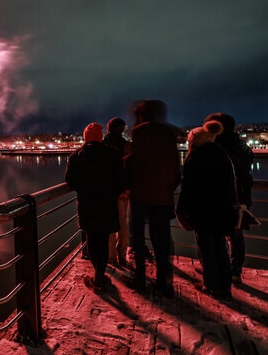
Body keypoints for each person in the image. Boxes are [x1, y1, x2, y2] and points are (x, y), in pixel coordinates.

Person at [124, 100, 181, 298]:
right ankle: (164, 282)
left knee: (137, 240)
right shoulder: (168, 133)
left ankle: (139, 278)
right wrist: (167, 188)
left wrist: (127, 182)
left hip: (140, 196)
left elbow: (135, 163)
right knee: (162, 240)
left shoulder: (140, 132)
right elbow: (174, 168)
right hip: (163, 197)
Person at [177, 120, 237, 300]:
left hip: (202, 211)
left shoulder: (194, 159)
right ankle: (225, 286)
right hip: (222, 210)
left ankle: (211, 286)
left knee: (206, 249)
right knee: (221, 248)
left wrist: (181, 210)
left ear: (194, 142)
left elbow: (188, 189)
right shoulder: (223, 156)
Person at [65, 123, 125, 292]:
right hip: (107, 205)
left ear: (85, 137)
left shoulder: (77, 156)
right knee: (104, 240)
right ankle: (100, 275)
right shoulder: (113, 154)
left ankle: (97, 278)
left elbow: (70, 180)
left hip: (87, 205)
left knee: (92, 241)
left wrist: (84, 189)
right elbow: (120, 182)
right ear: (100, 136)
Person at [204, 112, 254, 285]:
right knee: (236, 235)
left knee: (212, 235)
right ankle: (235, 271)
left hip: (217, 198)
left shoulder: (213, 146)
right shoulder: (243, 147)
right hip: (240, 197)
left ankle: (216, 270)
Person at [103, 117, 131, 266]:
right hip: (123, 191)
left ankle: (111, 256)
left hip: (107, 191)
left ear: (108, 128)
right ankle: (122, 255)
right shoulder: (127, 146)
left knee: (109, 223)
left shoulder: (104, 145)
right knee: (122, 222)